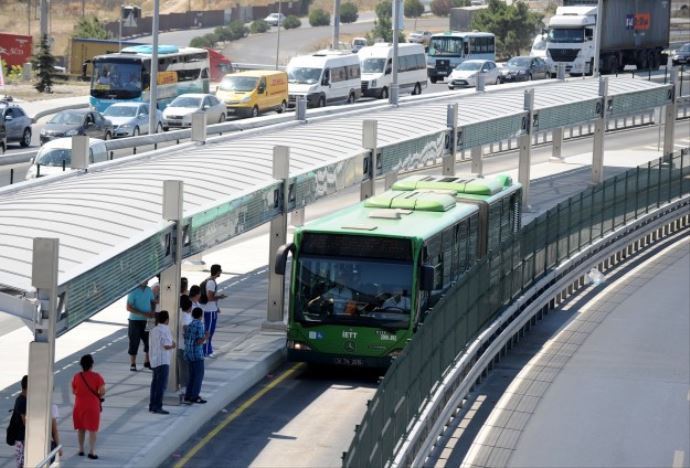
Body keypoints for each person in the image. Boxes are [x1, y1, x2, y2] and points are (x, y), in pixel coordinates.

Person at [72, 354, 105, 460]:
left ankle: (81, 449)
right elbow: (102, 391)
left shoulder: (77, 376)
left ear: (81, 365)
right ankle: (92, 451)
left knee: (81, 428)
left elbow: (74, 390)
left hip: (79, 406)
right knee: (92, 429)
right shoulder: (97, 376)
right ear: (92, 365)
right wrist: (98, 395)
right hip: (92, 406)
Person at [149, 310, 176, 414]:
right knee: (161, 385)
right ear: (167, 320)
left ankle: (152, 405)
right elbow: (166, 345)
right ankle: (158, 406)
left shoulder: (153, 329)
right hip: (163, 360)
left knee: (155, 384)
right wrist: (173, 346)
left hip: (155, 360)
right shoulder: (165, 329)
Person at [127, 280, 156, 371]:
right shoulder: (133, 291)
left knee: (149, 341)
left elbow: (152, 301)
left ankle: (147, 361)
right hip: (134, 321)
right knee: (134, 342)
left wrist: (152, 311)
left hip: (149, 320)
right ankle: (133, 363)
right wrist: (143, 314)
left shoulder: (148, 290)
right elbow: (128, 307)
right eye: (145, 279)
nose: (147, 280)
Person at [200, 265, 226, 357]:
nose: (221, 272)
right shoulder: (211, 283)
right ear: (218, 271)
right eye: (220, 270)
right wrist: (220, 297)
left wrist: (216, 307)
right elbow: (210, 297)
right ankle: (206, 351)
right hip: (209, 311)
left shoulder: (211, 281)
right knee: (209, 331)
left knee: (211, 330)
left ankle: (208, 349)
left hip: (212, 310)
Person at [184, 307, 207, 404]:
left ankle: (188, 395)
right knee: (198, 376)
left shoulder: (190, 324)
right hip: (197, 354)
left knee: (191, 376)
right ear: (201, 316)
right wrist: (206, 336)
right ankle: (195, 396)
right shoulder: (200, 325)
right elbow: (199, 341)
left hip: (189, 354)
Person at [10, 376, 27, 468]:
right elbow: (25, 422)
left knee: (20, 463)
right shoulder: (22, 401)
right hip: (21, 439)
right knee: (22, 464)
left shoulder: (19, 398)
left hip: (20, 438)